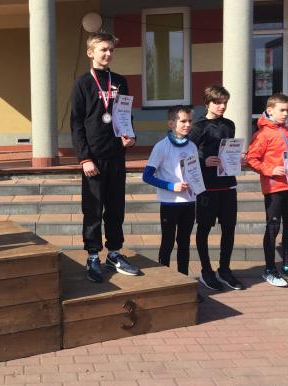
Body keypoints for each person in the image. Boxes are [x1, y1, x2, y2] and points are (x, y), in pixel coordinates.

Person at [70, 32, 139, 283]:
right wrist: (84, 158)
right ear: (91, 53)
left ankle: (114, 253)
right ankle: (92, 255)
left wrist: (130, 135)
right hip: (94, 158)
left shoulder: (120, 81)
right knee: (93, 208)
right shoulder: (82, 83)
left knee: (116, 206)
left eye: (111, 49)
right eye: (103, 49)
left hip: (116, 155)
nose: (108, 53)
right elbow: (77, 123)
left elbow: (125, 114)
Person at [246, 93, 288, 287]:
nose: (285, 114)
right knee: (273, 227)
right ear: (270, 110)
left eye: (287, 110)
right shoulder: (262, 134)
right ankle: (269, 270)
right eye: (282, 110)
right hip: (274, 188)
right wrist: (270, 169)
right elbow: (251, 159)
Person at [188, 86, 244, 291]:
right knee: (204, 229)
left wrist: (237, 158)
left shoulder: (229, 124)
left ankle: (225, 269)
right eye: (218, 102)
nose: (222, 106)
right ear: (207, 103)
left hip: (228, 185)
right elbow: (187, 154)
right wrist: (203, 161)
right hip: (207, 187)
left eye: (225, 103)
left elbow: (228, 150)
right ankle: (206, 271)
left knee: (229, 228)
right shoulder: (198, 127)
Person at [142, 105, 198, 276]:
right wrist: (171, 186)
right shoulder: (161, 146)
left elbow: (194, 173)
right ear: (171, 123)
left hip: (189, 202)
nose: (188, 125)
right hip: (170, 203)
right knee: (167, 242)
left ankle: (183, 279)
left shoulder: (192, 146)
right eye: (183, 121)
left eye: (190, 121)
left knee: (184, 242)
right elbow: (147, 176)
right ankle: (164, 279)